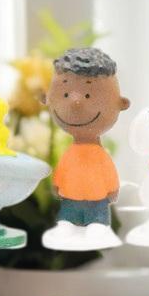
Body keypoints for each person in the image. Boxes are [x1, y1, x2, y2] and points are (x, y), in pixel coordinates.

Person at [41, 46, 130, 250]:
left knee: (97, 225)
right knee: (65, 222)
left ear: (121, 104)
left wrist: (113, 189)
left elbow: (109, 172)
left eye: (89, 95)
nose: (76, 102)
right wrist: (57, 184)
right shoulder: (70, 153)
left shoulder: (100, 155)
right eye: (65, 94)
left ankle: (97, 224)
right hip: (70, 200)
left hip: (97, 203)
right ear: (47, 98)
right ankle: (67, 223)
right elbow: (62, 171)